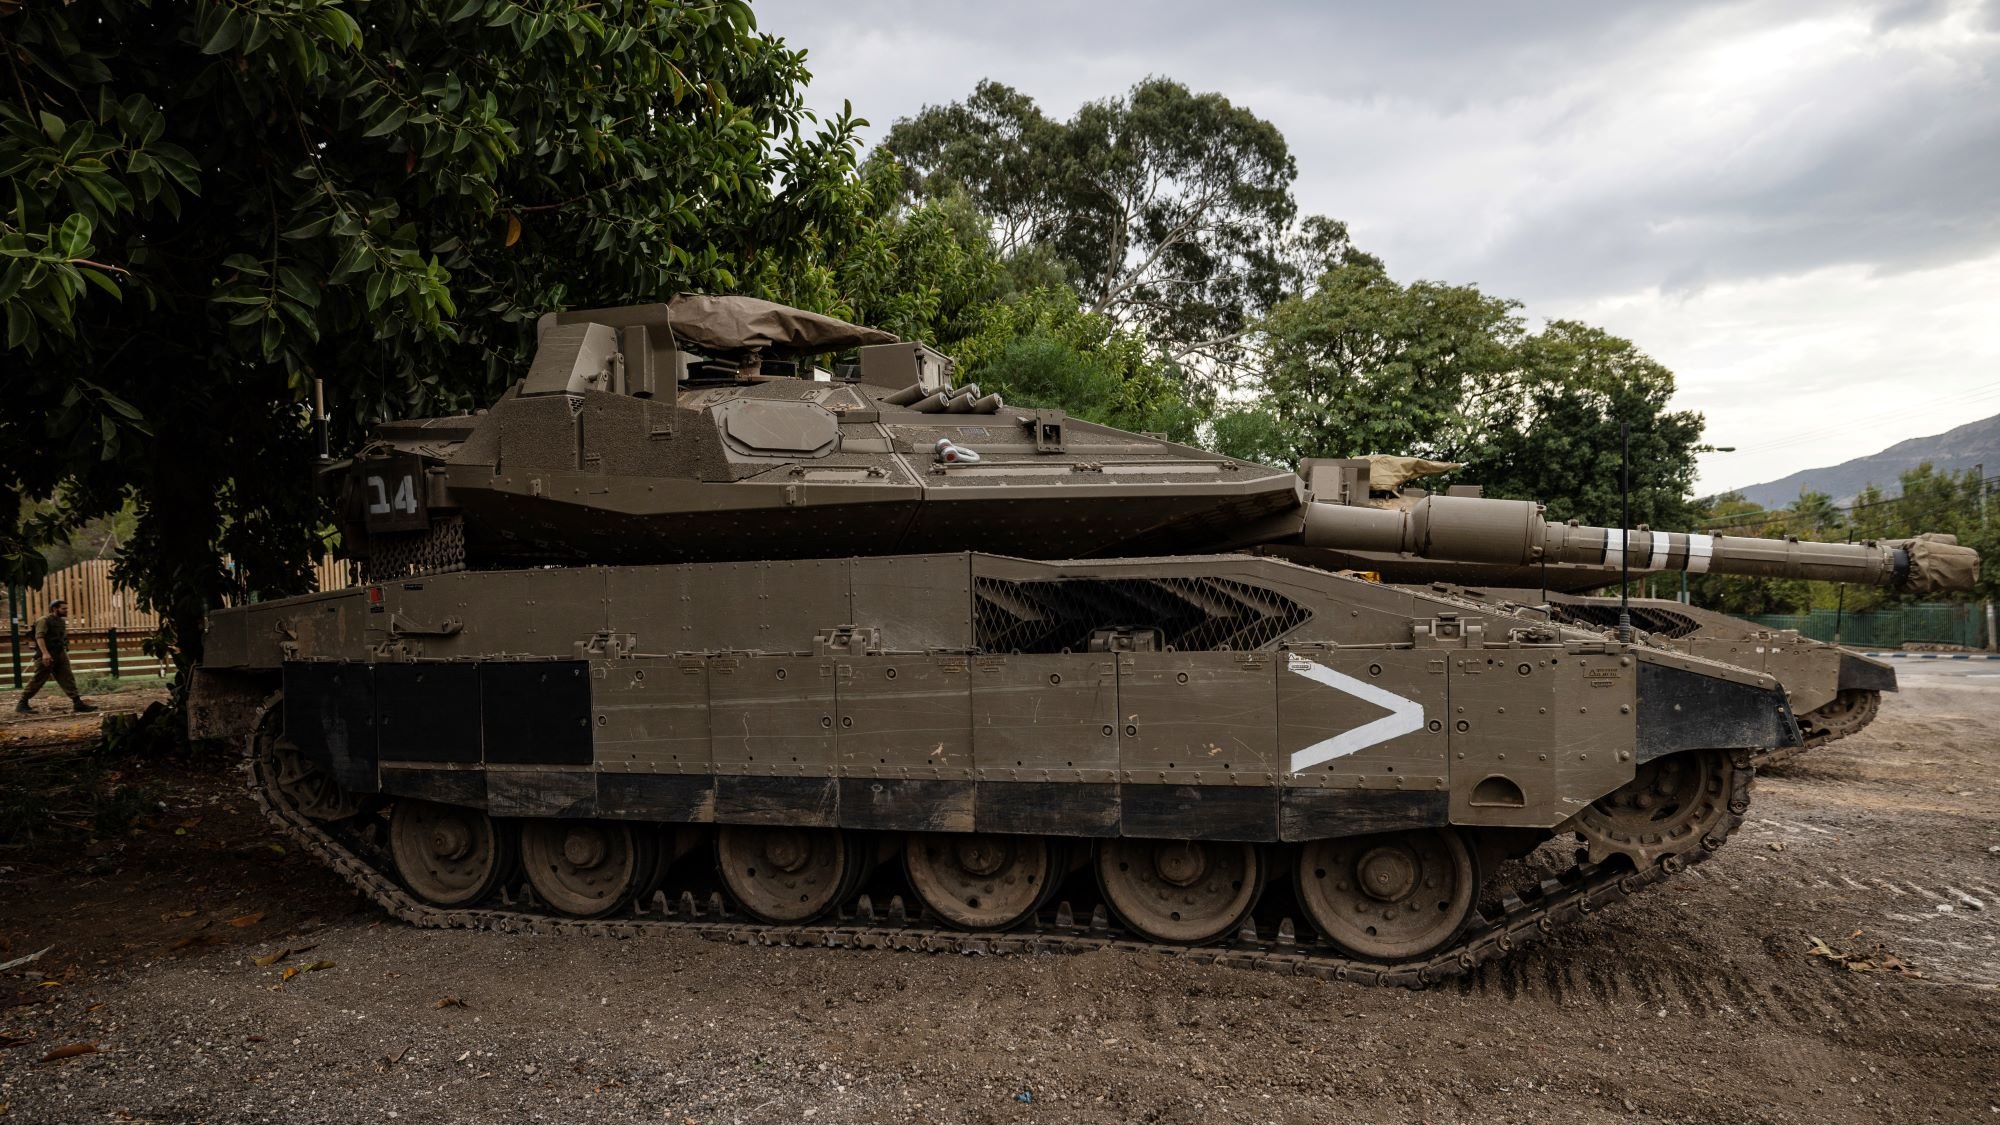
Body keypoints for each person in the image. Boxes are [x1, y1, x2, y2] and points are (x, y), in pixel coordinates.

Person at [15, 598, 96, 714]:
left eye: (66, 608)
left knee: (67, 678)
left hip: (59, 653)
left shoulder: (60, 621)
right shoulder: (44, 620)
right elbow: (39, 637)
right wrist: (45, 654)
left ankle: (78, 703)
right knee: (38, 679)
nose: (66, 611)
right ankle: (22, 703)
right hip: (47, 654)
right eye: (63, 609)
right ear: (54, 609)